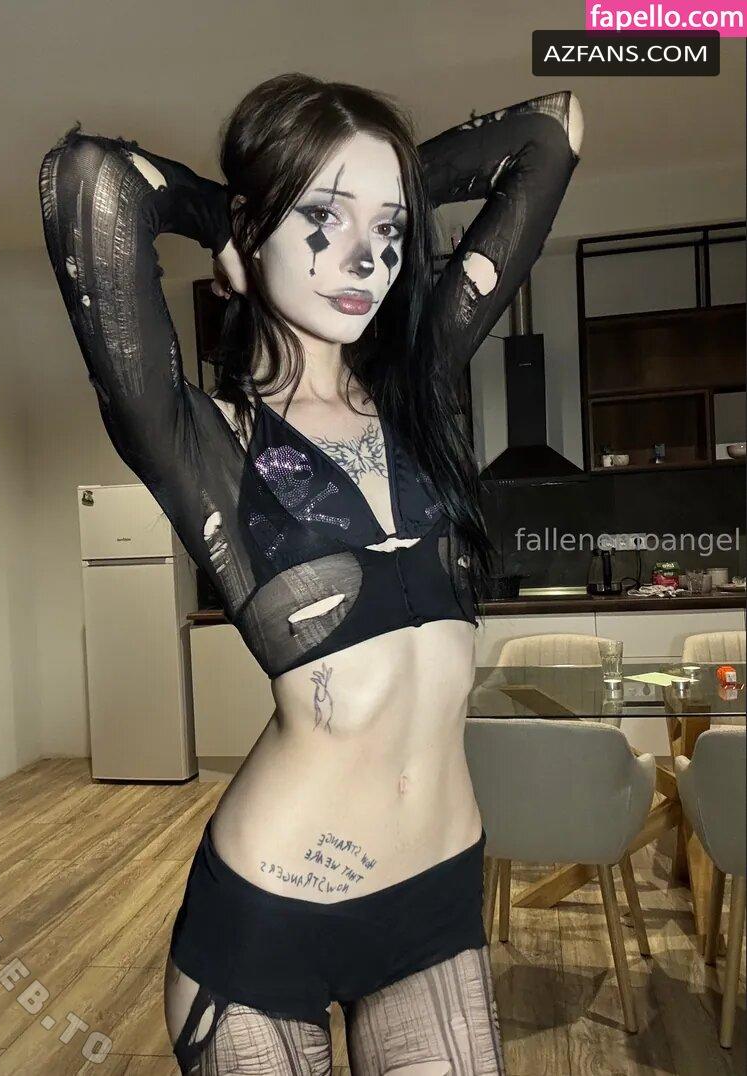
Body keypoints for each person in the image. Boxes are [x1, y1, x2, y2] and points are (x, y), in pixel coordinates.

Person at [38, 72, 582, 1076]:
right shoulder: (203, 442)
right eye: (323, 221)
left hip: (435, 905)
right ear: (251, 235)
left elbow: (550, 135)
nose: (364, 257)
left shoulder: (420, 387)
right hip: (267, 926)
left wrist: (356, 194)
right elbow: (89, 180)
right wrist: (237, 222)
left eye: (389, 227)